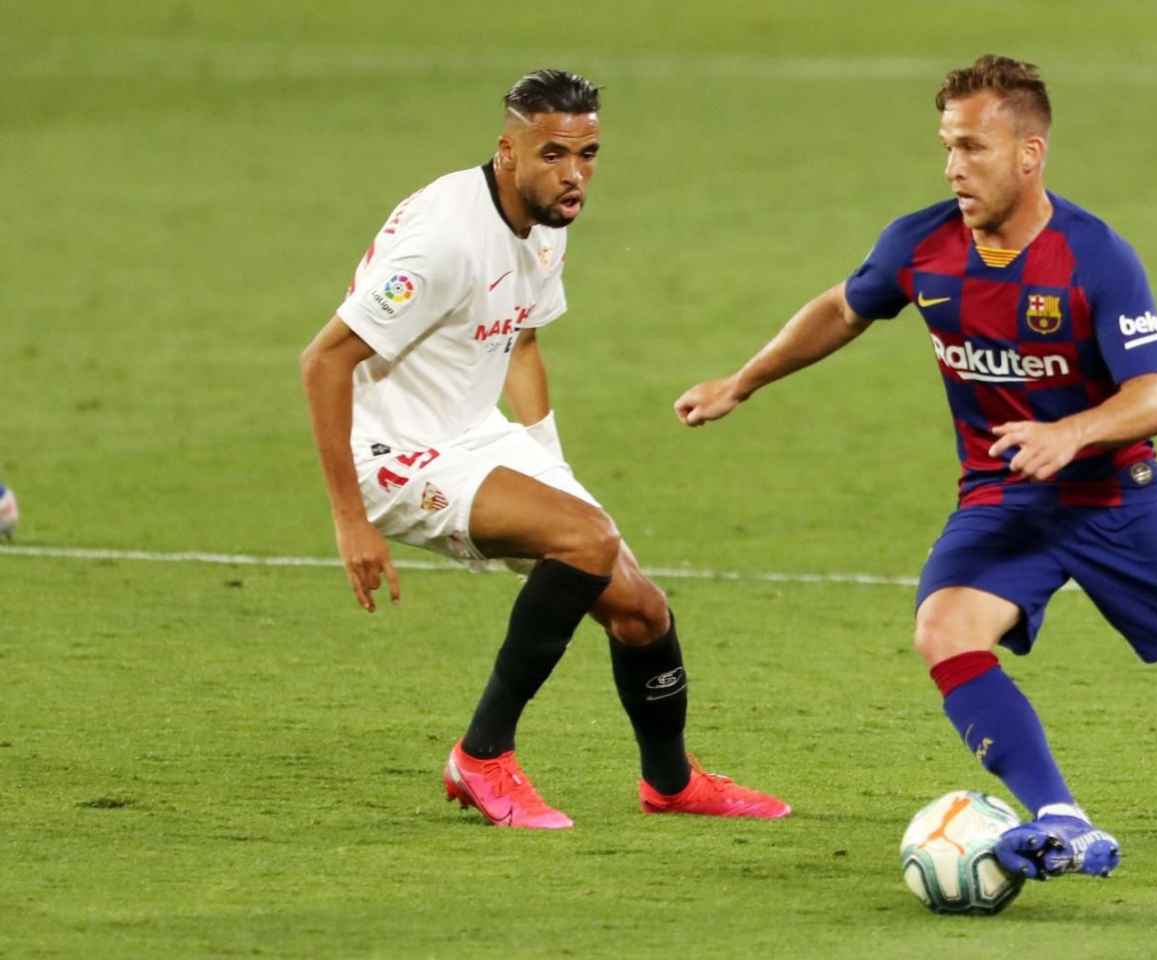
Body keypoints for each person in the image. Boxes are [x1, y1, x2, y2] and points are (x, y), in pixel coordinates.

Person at [674, 55, 1157, 905]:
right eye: (946, 147)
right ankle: (1061, 816)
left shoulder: (1093, 257)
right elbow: (844, 305)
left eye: (973, 148)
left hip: (1118, 500)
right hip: (1003, 500)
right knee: (944, 629)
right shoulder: (921, 244)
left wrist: (1071, 432)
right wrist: (741, 381)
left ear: (1029, 153)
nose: (952, 167)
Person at [299, 69, 789, 829]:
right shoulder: (444, 242)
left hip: (473, 429)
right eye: (554, 154)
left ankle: (670, 782)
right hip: (394, 454)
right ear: (507, 150)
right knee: (585, 540)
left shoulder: (543, 222)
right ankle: (482, 756)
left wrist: (547, 461)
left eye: (588, 153)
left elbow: (521, 338)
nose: (575, 174)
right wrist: (349, 518)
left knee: (640, 610)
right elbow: (323, 361)